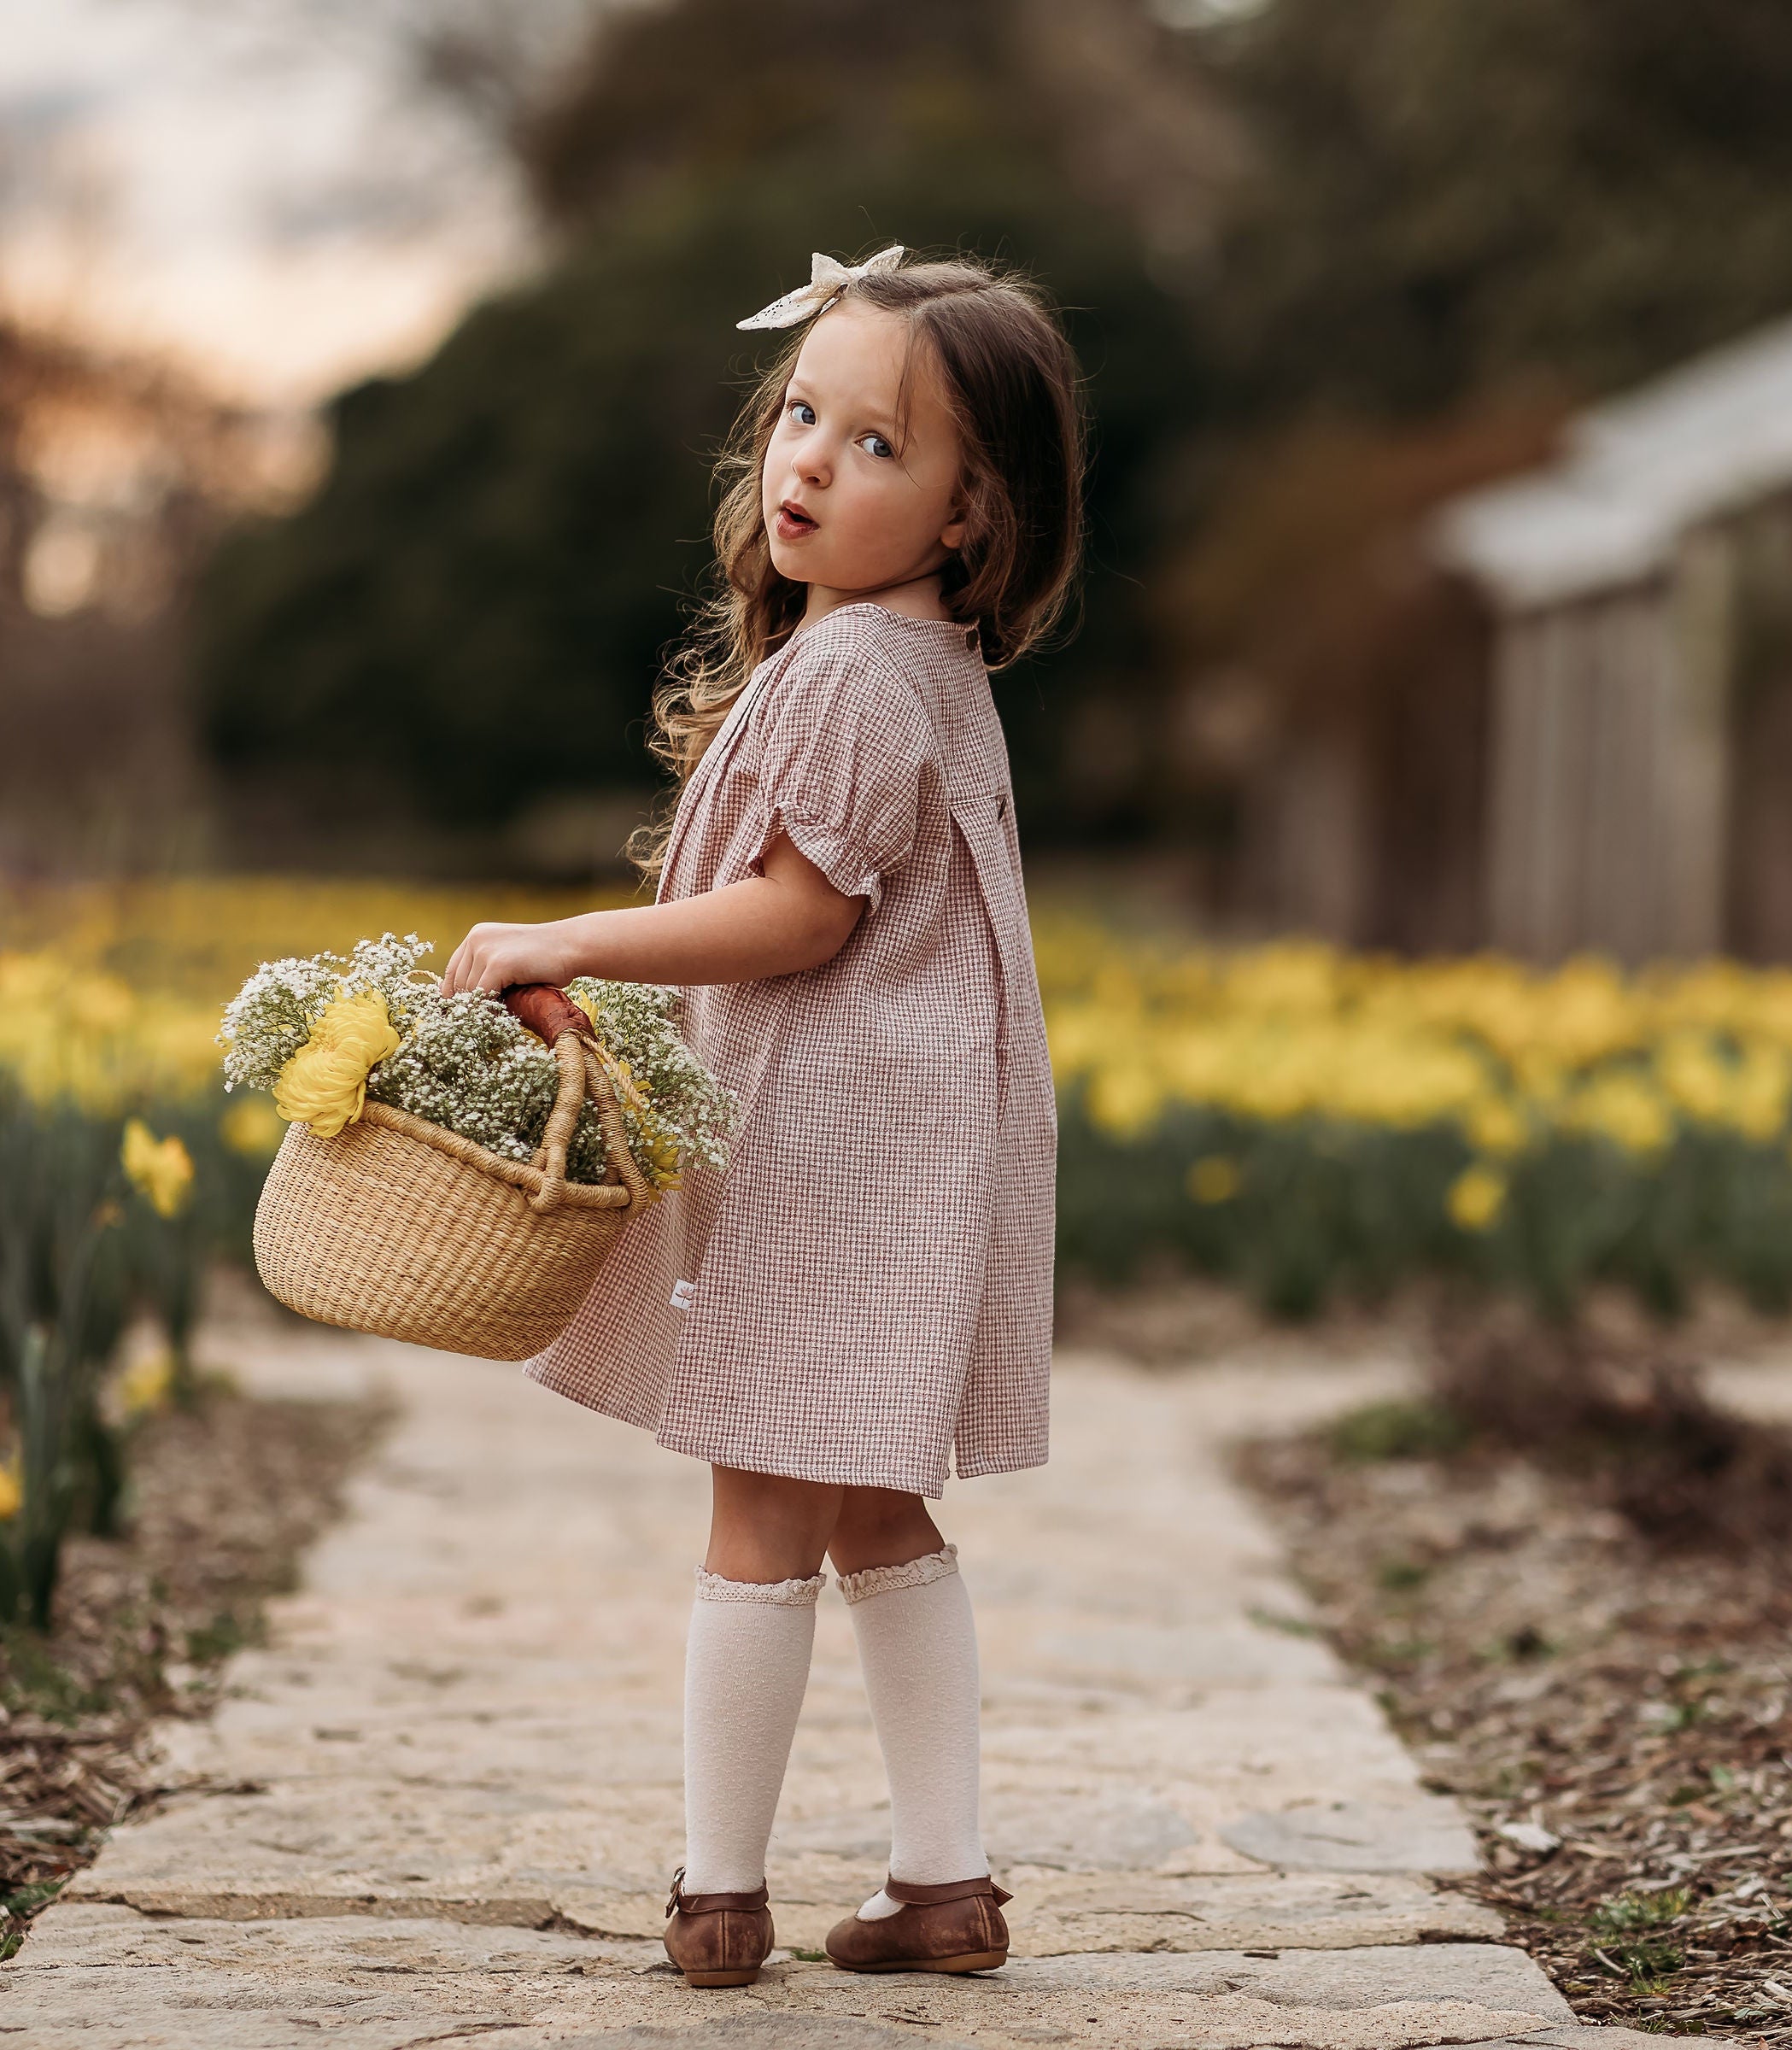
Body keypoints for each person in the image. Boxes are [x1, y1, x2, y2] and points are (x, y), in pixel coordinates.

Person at [438, 244, 1081, 1988]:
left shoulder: (858, 669)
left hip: (827, 1145)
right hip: (908, 1138)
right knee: (878, 1509)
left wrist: (570, 938)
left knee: (760, 1515)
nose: (809, 462)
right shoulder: (919, 658)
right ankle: (943, 1885)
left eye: (878, 446)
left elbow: (802, 919)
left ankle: (717, 1894)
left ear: (972, 514)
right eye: (803, 415)